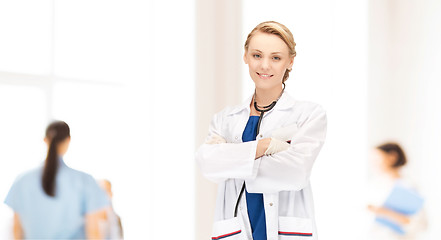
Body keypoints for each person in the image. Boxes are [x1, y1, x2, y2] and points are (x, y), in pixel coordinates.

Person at [196, 21, 327, 240]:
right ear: (245, 57)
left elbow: (295, 173)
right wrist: (265, 146)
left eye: (275, 58)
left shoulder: (308, 114)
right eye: (257, 55)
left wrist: (231, 157)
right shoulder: (225, 119)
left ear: (290, 62)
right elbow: (207, 163)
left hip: (286, 229)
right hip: (236, 229)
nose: (265, 65)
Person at [4, 121, 110, 239]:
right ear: (68, 140)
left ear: (45, 140)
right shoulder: (85, 181)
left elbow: (17, 230)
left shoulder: (22, 181)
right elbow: (93, 232)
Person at [367, 142, 427, 239]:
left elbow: (421, 224)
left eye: (376, 159)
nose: (373, 164)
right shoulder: (373, 185)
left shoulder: (408, 186)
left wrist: (385, 212)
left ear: (392, 157)